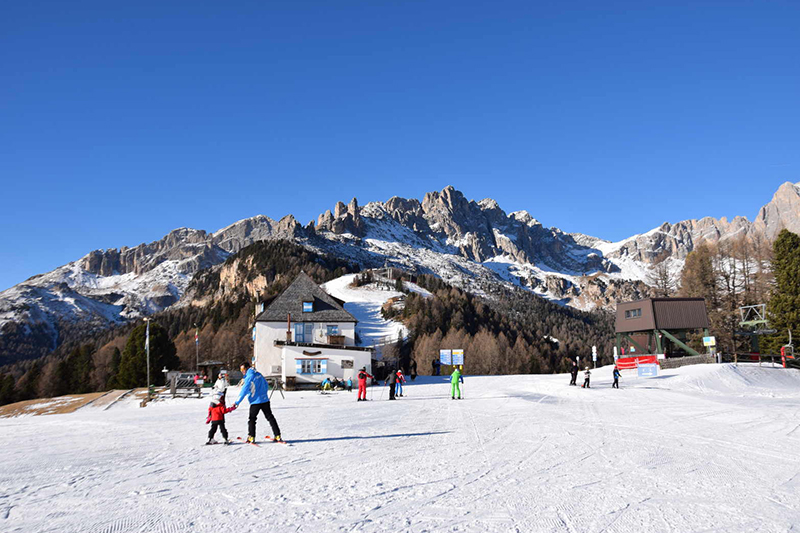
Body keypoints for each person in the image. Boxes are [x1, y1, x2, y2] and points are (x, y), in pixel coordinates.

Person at [235, 362, 283, 443]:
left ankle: (251, 437)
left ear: (247, 368)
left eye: (243, 369)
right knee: (270, 418)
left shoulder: (249, 377)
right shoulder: (259, 374)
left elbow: (244, 391)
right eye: (241, 370)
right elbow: (266, 385)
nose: (242, 371)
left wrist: (237, 402)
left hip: (255, 402)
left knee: (252, 419)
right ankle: (277, 435)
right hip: (265, 400)